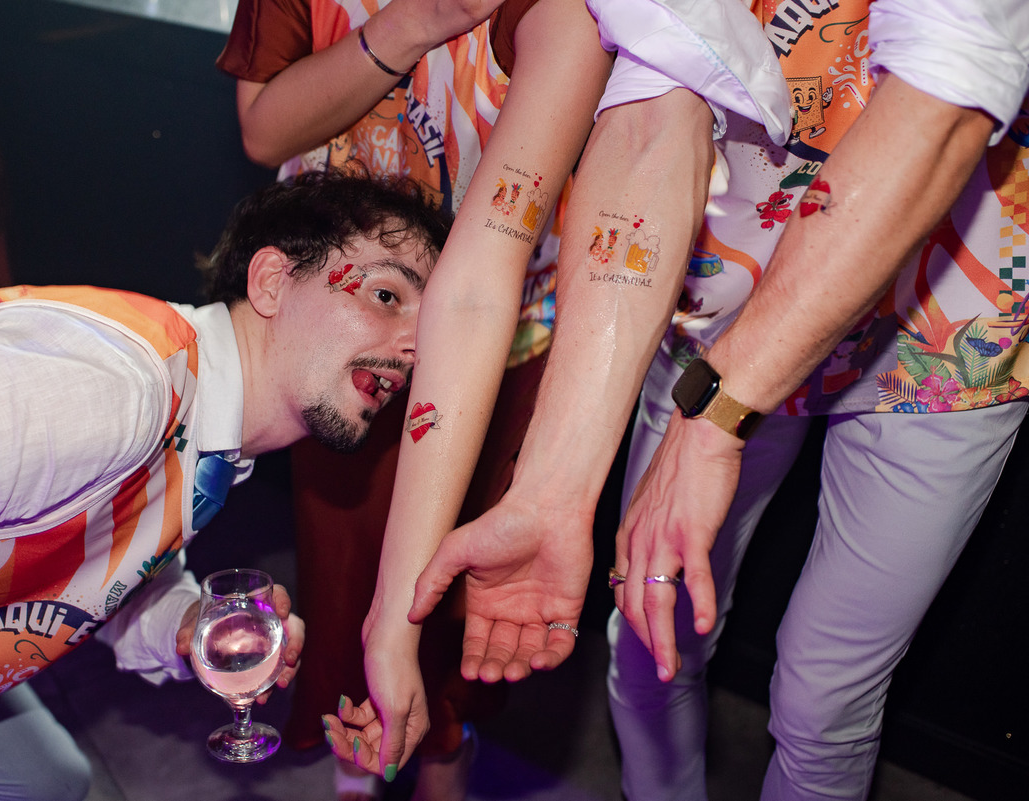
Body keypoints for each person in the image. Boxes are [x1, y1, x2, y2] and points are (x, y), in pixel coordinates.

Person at [410, 0, 1029, 799]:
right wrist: (551, 491)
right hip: (725, 274)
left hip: (950, 310)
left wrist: (714, 419)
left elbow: (948, 90)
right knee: (647, 642)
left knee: (823, 701)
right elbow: (650, 112)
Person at [0, 170, 449, 801]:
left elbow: (91, 565)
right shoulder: (115, 390)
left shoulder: (202, 431)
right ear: (271, 281)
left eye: (431, 328)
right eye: (386, 295)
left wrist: (188, 624)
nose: (414, 349)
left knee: (49, 783)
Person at [219, 0, 612, 795]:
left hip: (506, 329)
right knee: (342, 581)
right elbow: (263, 130)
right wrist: (417, 22)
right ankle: (355, 766)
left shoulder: (560, 17)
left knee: (465, 584)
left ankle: (443, 749)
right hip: (341, 322)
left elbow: (475, 288)